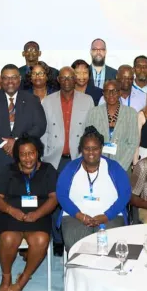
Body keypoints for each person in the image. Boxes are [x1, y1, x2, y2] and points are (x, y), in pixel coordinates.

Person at [0, 64, 46, 252]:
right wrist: (3, 143)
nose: (10, 81)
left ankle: (27, 242)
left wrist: (16, 142)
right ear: (1, 81)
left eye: (13, 77)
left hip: (24, 161)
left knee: (24, 199)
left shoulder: (31, 100)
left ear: (20, 79)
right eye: (5, 78)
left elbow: (40, 126)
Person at [40, 66, 94, 255]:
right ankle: (58, 240)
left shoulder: (87, 100)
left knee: (76, 197)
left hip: (78, 157)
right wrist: (45, 153)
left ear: (75, 79)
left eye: (71, 77)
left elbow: (90, 130)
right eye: (63, 78)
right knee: (56, 198)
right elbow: (43, 131)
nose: (67, 81)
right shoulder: (48, 101)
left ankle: (79, 234)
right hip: (54, 158)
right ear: (58, 80)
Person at [0, 135, 57, 291]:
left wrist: (37, 214)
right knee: (7, 238)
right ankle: (6, 276)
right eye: (23, 154)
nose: (28, 158)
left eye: (31, 153)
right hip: (11, 216)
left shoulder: (48, 170)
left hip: (39, 217)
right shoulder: (8, 170)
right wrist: (10, 210)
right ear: (17, 156)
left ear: (37, 152)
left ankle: (22, 280)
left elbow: (54, 198)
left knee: (41, 240)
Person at [56, 126, 131, 252]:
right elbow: (61, 195)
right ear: (81, 149)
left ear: (101, 149)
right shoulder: (71, 167)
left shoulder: (113, 167)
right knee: (78, 247)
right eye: (87, 148)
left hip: (110, 216)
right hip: (75, 216)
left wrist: (107, 216)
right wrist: (80, 215)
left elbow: (125, 194)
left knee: (109, 247)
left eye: (95, 148)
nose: (91, 152)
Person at [85, 80, 139, 172]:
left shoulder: (131, 113)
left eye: (114, 90)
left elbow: (133, 143)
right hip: (97, 166)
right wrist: (96, 164)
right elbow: (88, 140)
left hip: (123, 166)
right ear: (103, 93)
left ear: (120, 92)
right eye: (107, 91)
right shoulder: (93, 112)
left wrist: (119, 167)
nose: (111, 94)